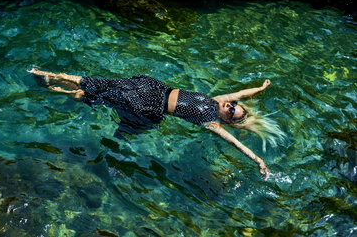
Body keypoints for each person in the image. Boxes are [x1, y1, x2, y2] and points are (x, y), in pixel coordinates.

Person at [27, 66, 284, 180]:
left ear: (226, 121)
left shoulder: (210, 121)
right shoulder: (217, 100)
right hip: (152, 88)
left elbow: (235, 143)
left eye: (231, 112)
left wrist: (258, 161)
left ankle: (53, 85)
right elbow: (241, 93)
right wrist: (260, 88)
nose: (229, 105)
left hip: (150, 103)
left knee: (99, 91)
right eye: (232, 105)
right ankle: (52, 79)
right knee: (101, 89)